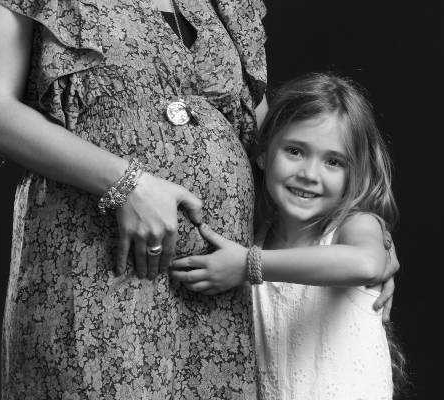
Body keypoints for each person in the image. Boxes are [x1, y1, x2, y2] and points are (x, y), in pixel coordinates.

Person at [0, 0, 271, 397]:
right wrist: (128, 184)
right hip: (99, 264)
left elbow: (266, 138)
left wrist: (344, 227)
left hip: (216, 287)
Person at [171, 73, 404, 399]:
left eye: (333, 162)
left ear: (355, 174)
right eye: (295, 151)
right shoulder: (257, 238)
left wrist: (249, 265)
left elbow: (366, 263)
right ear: (264, 153)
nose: (309, 174)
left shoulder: (354, 226)